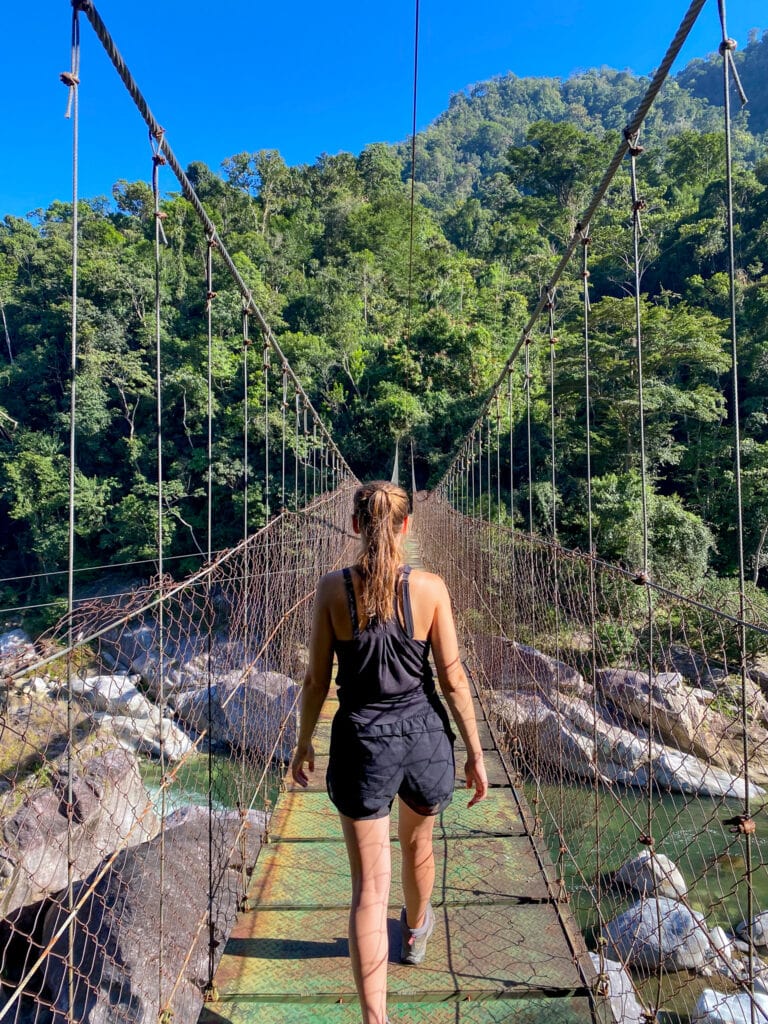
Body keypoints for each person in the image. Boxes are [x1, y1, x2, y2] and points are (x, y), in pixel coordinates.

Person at [290, 480, 488, 1024]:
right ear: (406, 526)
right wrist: (474, 750)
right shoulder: (431, 588)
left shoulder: (332, 591)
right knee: (417, 841)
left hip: (361, 743)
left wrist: (304, 743)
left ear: (354, 526)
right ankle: (418, 933)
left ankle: (375, 1018)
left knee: (368, 892)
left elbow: (315, 682)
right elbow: (453, 679)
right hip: (425, 739)